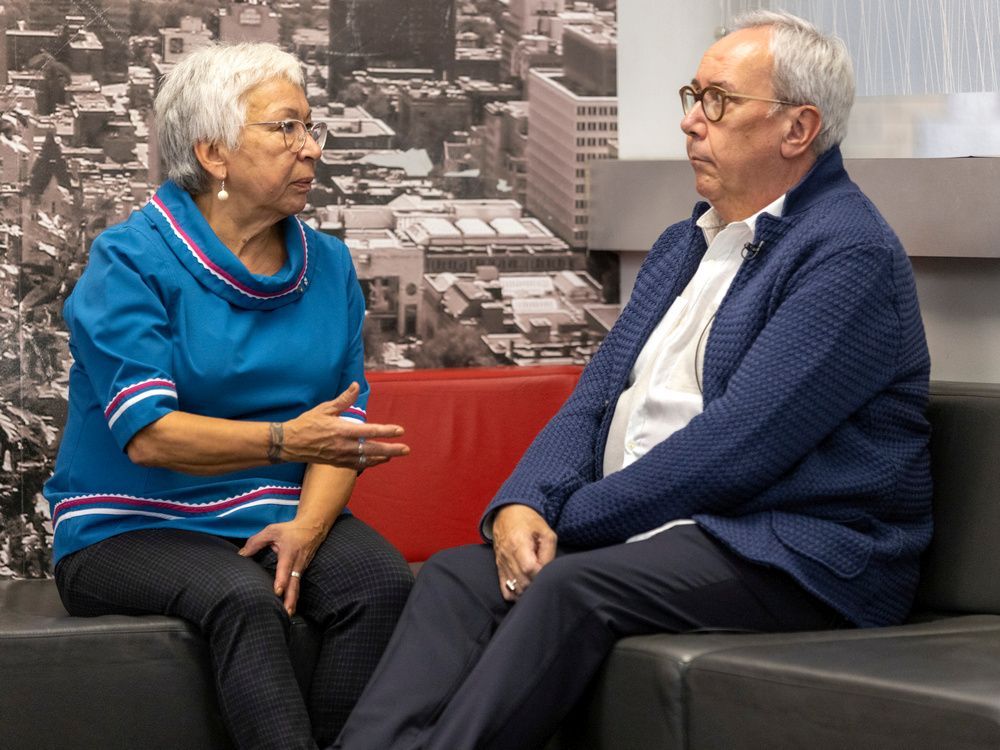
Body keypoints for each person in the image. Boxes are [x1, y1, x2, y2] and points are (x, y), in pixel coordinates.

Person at [332, 10, 933, 750]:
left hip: (795, 549)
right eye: (692, 96)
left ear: (797, 128)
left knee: (569, 584)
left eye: (717, 101)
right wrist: (522, 504)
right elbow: (593, 401)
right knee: (459, 576)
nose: (690, 122)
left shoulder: (847, 254)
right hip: (663, 529)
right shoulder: (686, 241)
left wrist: (569, 522)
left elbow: (737, 447)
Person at [44, 43, 414, 750]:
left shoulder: (329, 266)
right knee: (244, 599)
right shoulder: (131, 261)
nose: (309, 150)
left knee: (381, 583)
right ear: (214, 154)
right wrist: (283, 442)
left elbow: (343, 429)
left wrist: (305, 530)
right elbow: (149, 434)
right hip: (126, 524)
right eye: (285, 129)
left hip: (274, 511)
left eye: (311, 128)